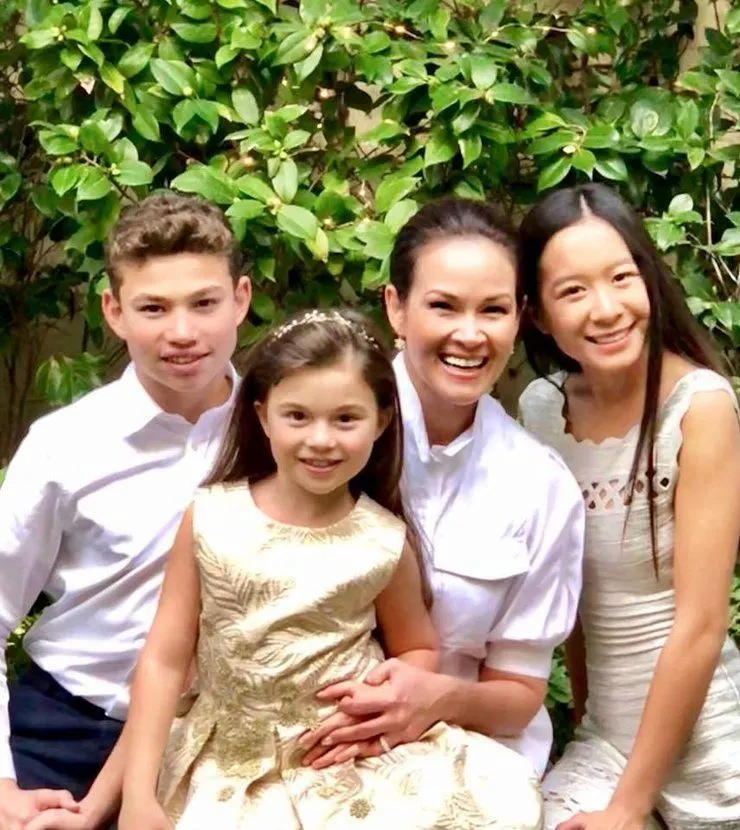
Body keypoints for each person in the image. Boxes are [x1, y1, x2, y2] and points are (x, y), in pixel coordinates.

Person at [116, 308, 544, 830]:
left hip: (339, 753)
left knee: (496, 804)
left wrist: (388, 694)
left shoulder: (382, 540)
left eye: (345, 419)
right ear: (262, 416)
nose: (321, 439)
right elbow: (164, 660)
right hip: (229, 759)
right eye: (297, 416)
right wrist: (136, 795)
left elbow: (417, 647)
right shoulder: (210, 518)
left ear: (381, 421)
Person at [299, 199, 586, 780]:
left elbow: (519, 695)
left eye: (493, 310)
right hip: (308, 743)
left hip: (466, 757)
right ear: (396, 308)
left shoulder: (539, 485)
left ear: (519, 318)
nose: (470, 334)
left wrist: (436, 699)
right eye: (443, 306)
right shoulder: (315, 438)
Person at [0, 192, 251, 830]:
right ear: (114, 311)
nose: (182, 332)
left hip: (224, 745)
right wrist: (0, 782)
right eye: (153, 308)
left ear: (241, 299)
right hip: (68, 733)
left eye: (204, 303)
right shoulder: (64, 447)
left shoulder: (284, 435)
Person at [517, 183, 740, 830]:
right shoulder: (540, 411)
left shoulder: (699, 406)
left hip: (711, 750)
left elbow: (701, 625)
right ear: (538, 315)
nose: (607, 309)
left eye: (622, 277)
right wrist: (592, 736)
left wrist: (630, 807)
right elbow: (571, 596)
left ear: (649, 279)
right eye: (573, 291)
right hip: (607, 743)